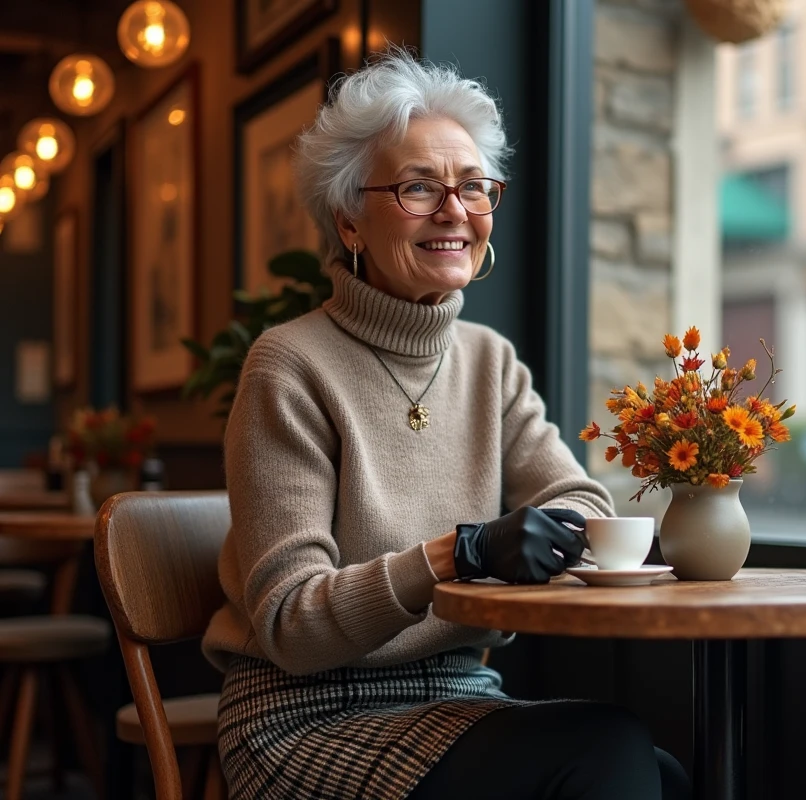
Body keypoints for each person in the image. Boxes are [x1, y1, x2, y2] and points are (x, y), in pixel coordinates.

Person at [202, 47, 690, 800]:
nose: (456, 211)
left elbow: (585, 505)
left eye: (472, 187)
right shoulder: (288, 365)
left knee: (660, 774)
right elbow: (291, 623)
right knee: (608, 751)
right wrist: (456, 554)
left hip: (458, 695)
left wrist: (539, 531)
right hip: (304, 715)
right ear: (350, 222)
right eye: (419, 188)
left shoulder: (488, 359)